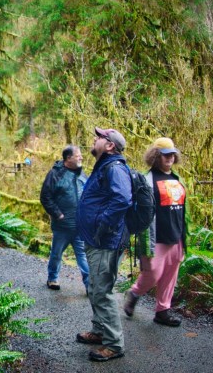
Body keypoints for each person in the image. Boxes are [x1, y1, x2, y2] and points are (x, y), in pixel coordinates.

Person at [75, 127, 131, 362]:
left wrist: (102, 225)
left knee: (101, 291)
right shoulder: (103, 167)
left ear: (109, 145)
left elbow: (123, 199)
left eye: (99, 137)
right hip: (96, 239)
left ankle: (114, 344)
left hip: (105, 241)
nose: (94, 139)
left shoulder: (114, 168)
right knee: (96, 288)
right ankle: (99, 331)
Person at [124, 137, 186, 327]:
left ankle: (162, 311)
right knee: (153, 273)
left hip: (176, 236)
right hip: (155, 237)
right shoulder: (147, 180)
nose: (169, 159)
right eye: (165, 156)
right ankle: (134, 293)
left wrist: (184, 237)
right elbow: (142, 212)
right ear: (155, 157)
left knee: (170, 275)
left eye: (172, 155)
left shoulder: (177, 179)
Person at [40, 145, 90, 292]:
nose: (81, 157)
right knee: (56, 253)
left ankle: (90, 286)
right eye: (78, 155)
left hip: (80, 225)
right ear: (68, 158)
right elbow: (45, 197)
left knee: (83, 256)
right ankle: (52, 278)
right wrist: (58, 214)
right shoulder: (55, 174)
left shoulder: (82, 174)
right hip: (62, 225)